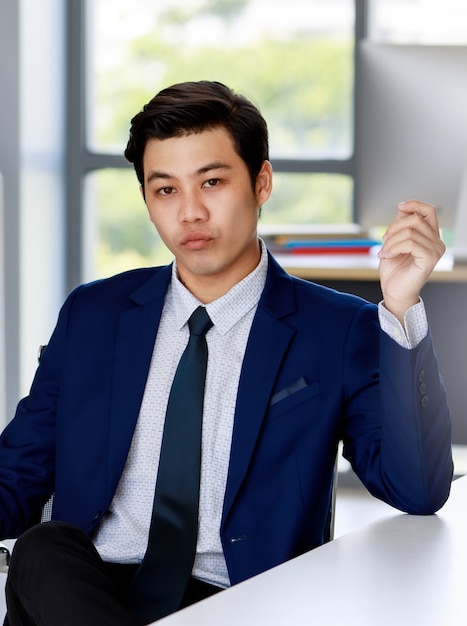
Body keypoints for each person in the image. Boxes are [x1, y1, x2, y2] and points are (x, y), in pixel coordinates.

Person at [0, 81, 453, 625]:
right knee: (42, 549)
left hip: (238, 599)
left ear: (261, 182)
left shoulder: (336, 329)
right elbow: (17, 474)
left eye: (212, 181)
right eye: (165, 190)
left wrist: (401, 309)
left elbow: (417, 489)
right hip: (82, 593)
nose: (190, 212)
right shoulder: (93, 315)